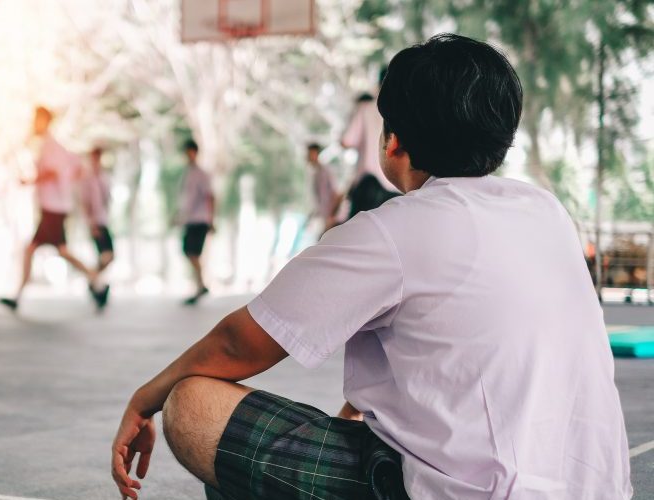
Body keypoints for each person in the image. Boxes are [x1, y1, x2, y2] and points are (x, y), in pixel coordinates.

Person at [111, 34, 631, 500]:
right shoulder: (546, 211)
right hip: (597, 485)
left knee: (194, 403)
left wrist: (144, 398)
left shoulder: (395, 229)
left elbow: (236, 344)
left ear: (394, 140)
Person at [0, 107, 108, 312]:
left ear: (45, 120)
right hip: (54, 207)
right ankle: (96, 282)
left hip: (53, 208)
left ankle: (18, 296)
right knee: (57, 251)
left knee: (36, 250)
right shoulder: (54, 146)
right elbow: (76, 168)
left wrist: (30, 181)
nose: (33, 124)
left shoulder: (51, 146)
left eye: (36, 120)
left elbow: (53, 172)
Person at [340, 90, 400, 218]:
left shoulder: (366, 108)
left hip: (369, 185)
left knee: (357, 233)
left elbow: (346, 141)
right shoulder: (404, 109)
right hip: (397, 188)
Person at [177, 139, 214, 306]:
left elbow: (210, 196)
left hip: (200, 219)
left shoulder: (201, 174)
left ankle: (201, 285)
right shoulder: (188, 173)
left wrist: (211, 219)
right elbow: (186, 200)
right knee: (189, 252)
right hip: (190, 220)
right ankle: (200, 285)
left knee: (193, 253)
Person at [80, 146, 115, 309]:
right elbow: (86, 204)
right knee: (107, 255)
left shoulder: (104, 176)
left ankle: (93, 280)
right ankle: (94, 280)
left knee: (107, 256)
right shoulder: (87, 179)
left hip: (104, 220)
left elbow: (107, 199)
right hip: (96, 222)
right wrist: (91, 223)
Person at [306, 142, 338, 233]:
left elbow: (335, 193)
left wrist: (331, 216)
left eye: (309, 154)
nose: (307, 157)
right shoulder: (314, 173)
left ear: (316, 153)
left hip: (329, 217)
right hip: (322, 217)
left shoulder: (326, 171)